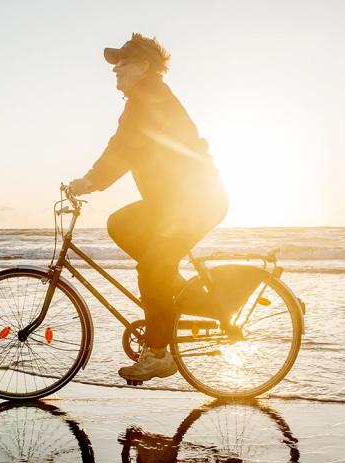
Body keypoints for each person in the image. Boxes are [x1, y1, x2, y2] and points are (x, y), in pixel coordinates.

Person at [70, 33, 228, 382]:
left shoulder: (149, 97)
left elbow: (123, 147)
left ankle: (158, 352)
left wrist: (90, 181)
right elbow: (123, 145)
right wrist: (92, 180)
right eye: (115, 64)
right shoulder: (144, 98)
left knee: (153, 268)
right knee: (122, 225)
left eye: (122, 62)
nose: (116, 69)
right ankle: (175, 289)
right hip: (173, 203)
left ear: (143, 66)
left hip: (195, 201)